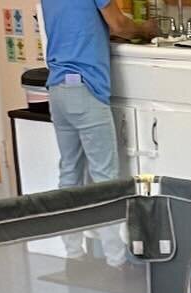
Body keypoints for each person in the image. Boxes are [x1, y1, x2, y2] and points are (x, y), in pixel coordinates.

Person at [42, 0, 154, 193]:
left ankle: (68, 223)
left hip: (57, 86)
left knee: (70, 174)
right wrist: (145, 29)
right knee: (106, 179)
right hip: (85, 87)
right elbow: (118, 24)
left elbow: (80, 24)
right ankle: (110, 224)